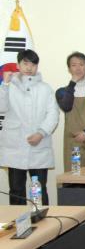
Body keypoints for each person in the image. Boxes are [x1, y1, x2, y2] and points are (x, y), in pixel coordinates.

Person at [0, 50, 58, 205]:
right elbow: (1, 107)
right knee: (16, 189)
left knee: (39, 188)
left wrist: (41, 133)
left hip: (39, 146)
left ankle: (42, 218)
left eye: (33, 64)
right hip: (15, 146)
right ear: (18, 65)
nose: (29, 67)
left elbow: (53, 114)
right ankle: (18, 220)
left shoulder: (45, 88)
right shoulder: (8, 86)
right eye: (25, 63)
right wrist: (4, 85)